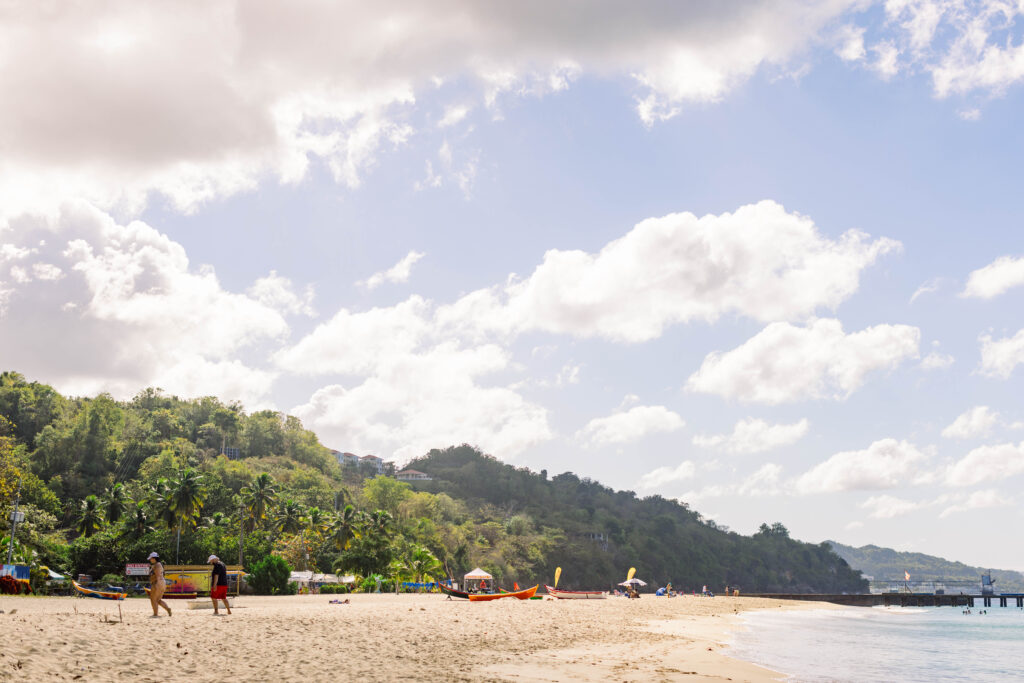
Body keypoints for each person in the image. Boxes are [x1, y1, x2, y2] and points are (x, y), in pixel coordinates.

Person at [148, 552, 172, 617]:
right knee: (158, 600)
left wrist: (156, 585)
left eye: (151, 558)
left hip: (157, 583)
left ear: (154, 558)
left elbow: (157, 575)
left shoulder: (157, 565)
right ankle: (167, 609)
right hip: (162, 583)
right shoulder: (159, 565)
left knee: (153, 599)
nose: (150, 560)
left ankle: (155, 614)